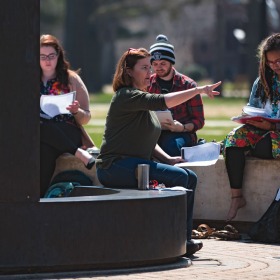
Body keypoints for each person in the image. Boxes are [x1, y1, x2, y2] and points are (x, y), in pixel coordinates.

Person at [96, 47, 221, 256]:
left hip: (136, 165)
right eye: (145, 67)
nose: (150, 72)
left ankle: (183, 238)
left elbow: (148, 139)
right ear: (129, 71)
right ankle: (174, 239)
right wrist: (199, 90)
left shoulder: (141, 98)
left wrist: (168, 159)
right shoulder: (127, 96)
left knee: (189, 178)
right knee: (180, 178)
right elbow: (165, 101)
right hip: (115, 167)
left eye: (149, 67)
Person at [223, 33, 280, 222]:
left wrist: (271, 125)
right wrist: (249, 118)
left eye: (279, 61)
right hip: (263, 129)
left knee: (265, 144)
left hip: (274, 133)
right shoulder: (263, 80)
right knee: (232, 141)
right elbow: (254, 108)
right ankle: (236, 197)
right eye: (270, 62)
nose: (275, 66)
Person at [40, 34, 96, 196]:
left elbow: (86, 117)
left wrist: (76, 111)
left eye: (51, 56)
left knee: (46, 131)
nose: (47, 61)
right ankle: (40, 197)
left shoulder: (71, 79)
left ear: (58, 56)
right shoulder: (30, 80)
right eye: (42, 57)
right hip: (42, 133)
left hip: (68, 131)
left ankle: (38, 198)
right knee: (44, 148)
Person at [148, 34, 205, 156]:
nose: (159, 67)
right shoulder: (147, 84)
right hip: (153, 132)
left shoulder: (188, 86)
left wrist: (182, 128)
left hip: (182, 133)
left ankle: (174, 174)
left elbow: (199, 121)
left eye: (163, 63)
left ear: (171, 62)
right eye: (155, 64)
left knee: (171, 146)